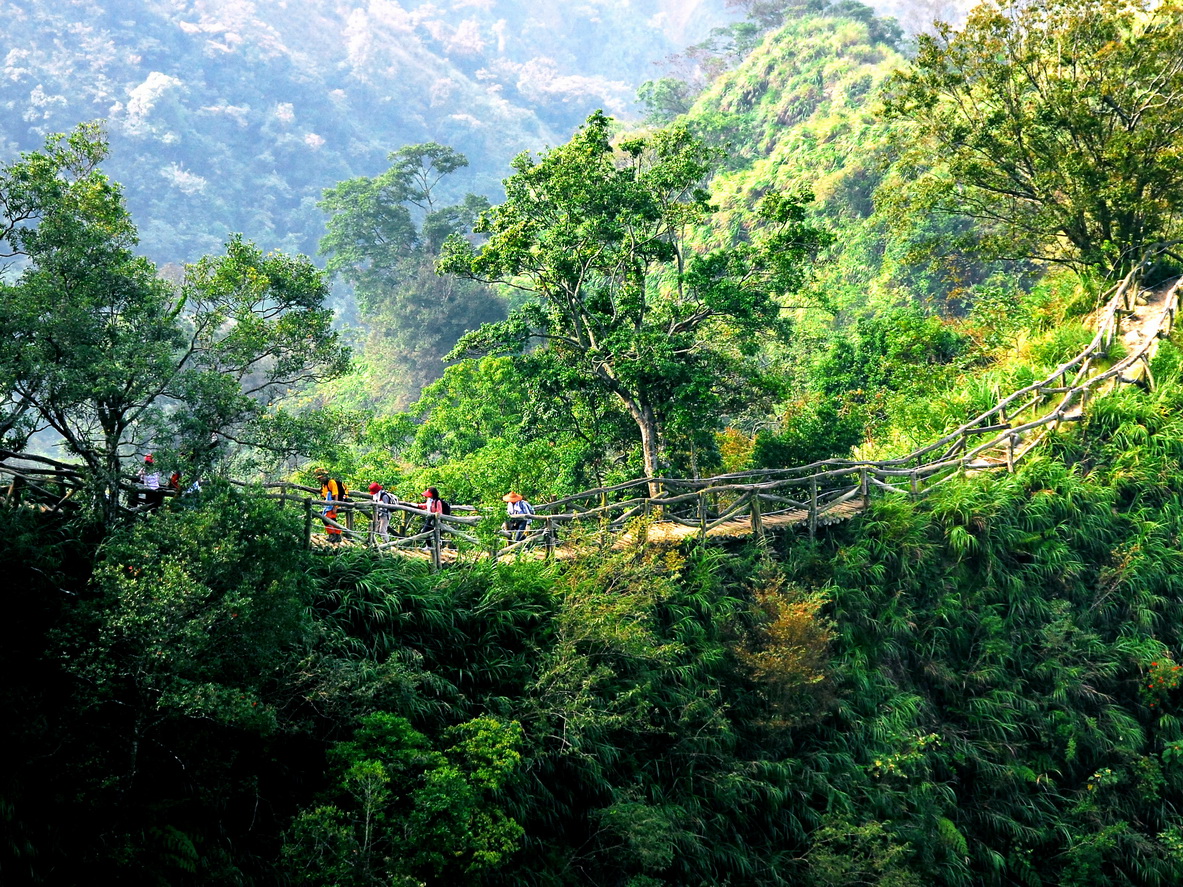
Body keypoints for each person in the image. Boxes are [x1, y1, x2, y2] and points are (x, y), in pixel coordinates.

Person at [314, 468, 348, 544]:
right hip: (329, 503)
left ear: (325, 476)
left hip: (337, 501)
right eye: (319, 478)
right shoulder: (324, 485)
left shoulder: (331, 482)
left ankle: (335, 535)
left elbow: (335, 494)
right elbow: (324, 493)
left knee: (327, 519)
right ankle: (334, 535)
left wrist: (335, 506)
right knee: (329, 519)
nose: (321, 479)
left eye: (322, 477)